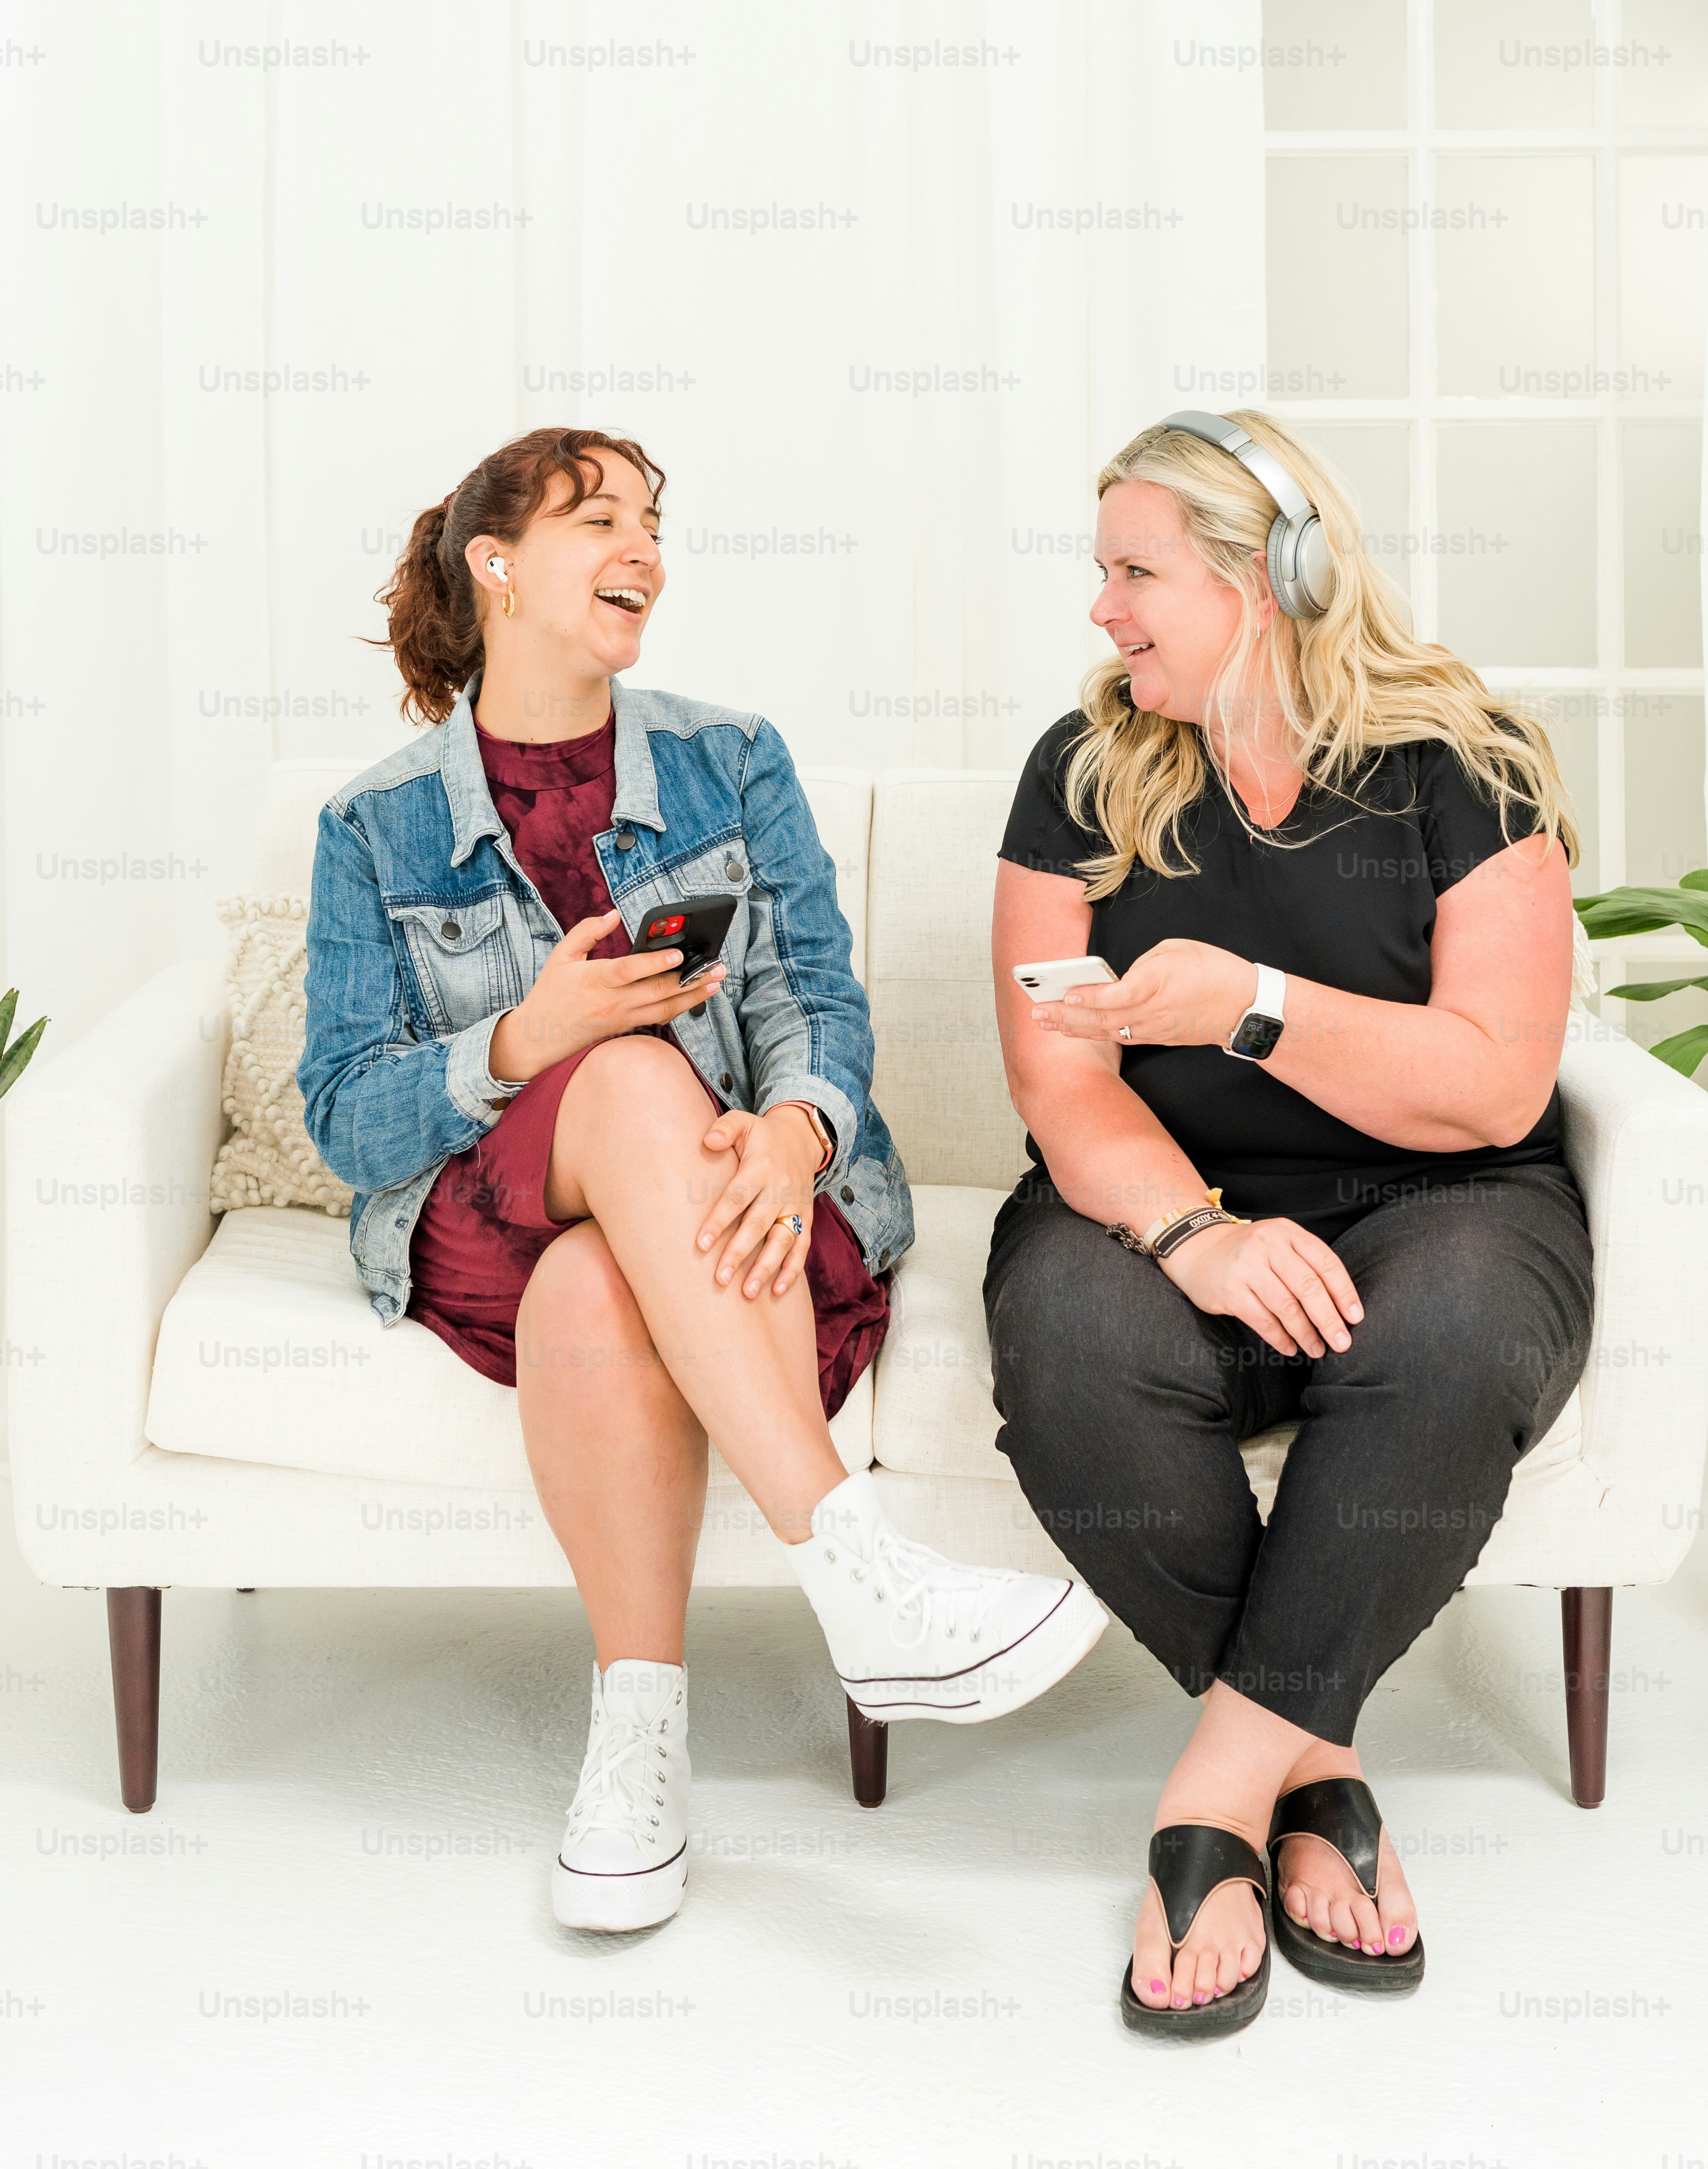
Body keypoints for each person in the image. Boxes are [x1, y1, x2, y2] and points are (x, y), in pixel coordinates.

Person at [299, 427, 1105, 1934]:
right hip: (488, 1218)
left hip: (725, 1207)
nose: (645, 552)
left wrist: (797, 1131)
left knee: (601, 1275)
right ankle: (856, 1567)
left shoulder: (732, 760)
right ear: (496, 566)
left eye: (655, 524)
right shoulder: (373, 824)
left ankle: (637, 1750)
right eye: (598, 519)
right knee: (613, 1075)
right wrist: (525, 1038)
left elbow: (818, 1004)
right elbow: (345, 1119)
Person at [984, 410, 1591, 2035]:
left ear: (1271, 578)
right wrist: (1199, 1239)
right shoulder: (1084, 769)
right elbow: (1059, 1082)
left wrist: (1252, 1006)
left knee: (1451, 1339)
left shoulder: (1466, 764)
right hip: (1158, 1197)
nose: (1102, 609)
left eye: (1135, 572)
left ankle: (1211, 1800)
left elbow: (1494, 1085)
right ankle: (1314, 1764)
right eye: (1103, 572)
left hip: (1446, 1197)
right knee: (1069, 1347)